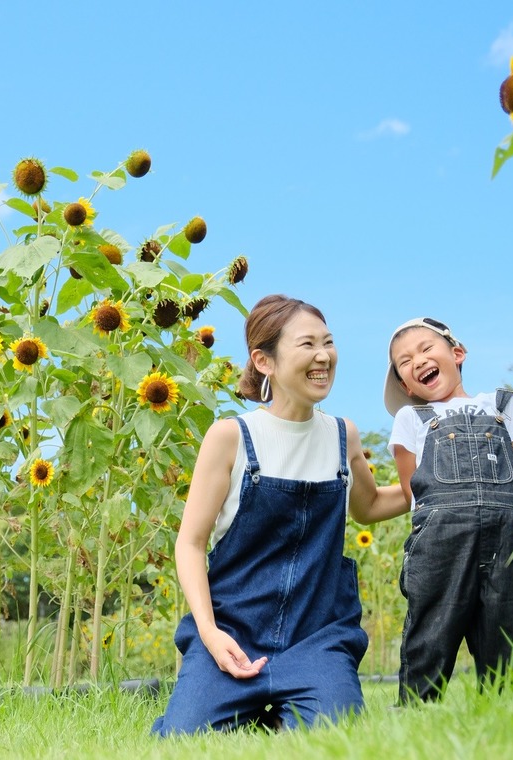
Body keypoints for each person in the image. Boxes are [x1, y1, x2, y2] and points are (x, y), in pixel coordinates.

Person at [152, 295, 407, 735]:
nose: (323, 356)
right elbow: (190, 543)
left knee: (337, 738)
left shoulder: (342, 435)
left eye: (328, 343)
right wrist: (210, 634)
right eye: (307, 344)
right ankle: (253, 710)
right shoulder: (231, 437)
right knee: (184, 739)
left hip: (318, 639)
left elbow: (368, 508)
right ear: (263, 361)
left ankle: (281, 713)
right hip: (234, 633)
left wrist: (430, 485)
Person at [384, 317, 513, 704]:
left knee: (506, 623)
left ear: (457, 353)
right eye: (404, 361)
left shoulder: (504, 404)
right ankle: (417, 710)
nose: (416, 360)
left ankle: (502, 711)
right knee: (432, 627)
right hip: (440, 539)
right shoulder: (410, 418)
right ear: (405, 385)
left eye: (424, 349)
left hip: (506, 535)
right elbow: (412, 490)